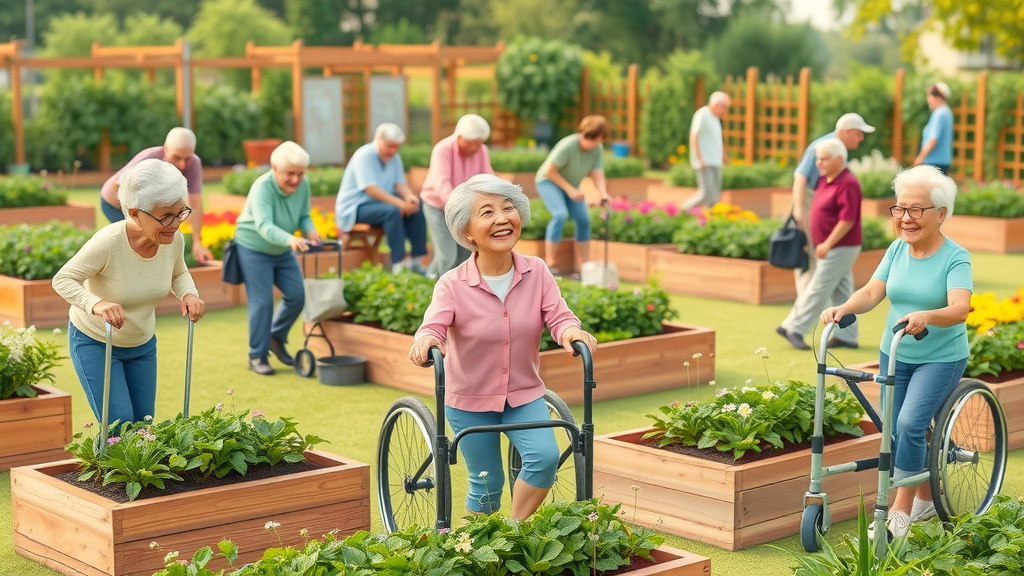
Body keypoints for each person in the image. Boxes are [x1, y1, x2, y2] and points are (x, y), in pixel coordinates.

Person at [408, 173, 598, 520]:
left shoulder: (537, 271)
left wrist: (571, 331)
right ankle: (472, 553)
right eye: (487, 212)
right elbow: (433, 326)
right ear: (467, 232)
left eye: (508, 208)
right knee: (486, 484)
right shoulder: (452, 284)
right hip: (470, 400)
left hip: (524, 394)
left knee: (544, 459)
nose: (502, 218)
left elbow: (559, 316)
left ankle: (512, 533)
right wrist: (427, 339)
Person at [821, 165, 971, 538]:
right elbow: (873, 292)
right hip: (896, 352)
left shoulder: (956, 257)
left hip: (940, 358)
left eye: (916, 210)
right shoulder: (896, 249)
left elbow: (959, 309)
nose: (905, 218)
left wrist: (927, 315)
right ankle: (924, 499)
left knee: (908, 424)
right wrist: (844, 308)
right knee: (893, 429)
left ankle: (897, 511)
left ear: (941, 214)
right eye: (899, 208)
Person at [53, 159, 206, 425]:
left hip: (143, 343)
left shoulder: (173, 239)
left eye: (180, 212)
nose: (175, 223)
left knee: (144, 422)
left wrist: (188, 294)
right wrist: (96, 303)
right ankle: (106, 465)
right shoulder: (109, 242)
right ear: (135, 213)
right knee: (119, 422)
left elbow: (178, 273)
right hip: (96, 341)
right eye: (166, 216)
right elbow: (63, 278)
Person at [233, 141, 321, 375]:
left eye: (300, 174)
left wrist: (310, 229)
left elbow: (303, 215)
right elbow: (263, 225)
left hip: (281, 250)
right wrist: (291, 240)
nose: (296, 180)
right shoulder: (262, 187)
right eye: (289, 174)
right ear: (274, 167)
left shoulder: (303, 185)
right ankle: (257, 355)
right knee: (262, 303)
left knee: (296, 295)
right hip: (253, 248)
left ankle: (275, 337)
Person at [777, 138, 862, 350]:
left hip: (840, 246)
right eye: (817, 159)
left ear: (839, 159)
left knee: (818, 286)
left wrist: (827, 243)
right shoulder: (825, 179)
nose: (818, 163)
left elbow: (847, 220)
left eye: (824, 159)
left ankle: (794, 327)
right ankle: (847, 336)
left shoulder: (848, 184)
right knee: (842, 291)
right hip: (828, 245)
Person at [100, 127, 213, 264]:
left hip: (147, 208)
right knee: (138, 242)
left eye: (187, 158)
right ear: (165, 149)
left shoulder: (194, 163)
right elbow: (119, 187)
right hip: (115, 202)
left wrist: (197, 242)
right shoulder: (149, 157)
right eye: (177, 157)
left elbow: (196, 205)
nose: (182, 165)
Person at [791, 113, 875, 295]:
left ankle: (827, 303)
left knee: (828, 254)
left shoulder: (838, 150)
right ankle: (807, 299)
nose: (861, 138)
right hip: (811, 198)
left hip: (825, 200)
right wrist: (799, 209)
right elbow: (800, 176)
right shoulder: (822, 147)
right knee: (812, 254)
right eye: (858, 133)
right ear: (845, 132)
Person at [336, 123, 428, 274]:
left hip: (381, 205)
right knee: (393, 211)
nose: (393, 151)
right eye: (390, 146)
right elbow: (370, 189)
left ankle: (416, 261)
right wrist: (400, 203)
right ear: (378, 138)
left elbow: (400, 183)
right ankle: (398, 263)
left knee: (416, 207)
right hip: (355, 207)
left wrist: (409, 197)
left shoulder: (395, 158)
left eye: (396, 147)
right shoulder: (364, 155)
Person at [534, 115, 611, 278]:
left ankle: (585, 267)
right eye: (588, 139)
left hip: (572, 187)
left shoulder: (597, 149)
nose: (591, 144)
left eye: (596, 141)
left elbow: (597, 173)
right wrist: (570, 190)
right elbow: (549, 171)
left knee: (584, 220)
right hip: (548, 182)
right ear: (582, 133)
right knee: (560, 215)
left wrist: (603, 193)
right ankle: (550, 264)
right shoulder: (568, 145)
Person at [421, 114, 494, 277]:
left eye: (478, 144)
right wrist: (459, 206)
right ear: (459, 136)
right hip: (438, 207)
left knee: (466, 253)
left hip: (466, 209)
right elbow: (441, 183)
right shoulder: (443, 149)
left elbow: (487, 176)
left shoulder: (481, 150)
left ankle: (434, 280)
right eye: (470, 144)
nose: (475, 148)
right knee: (447, 255)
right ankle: (441, 292)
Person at [681, 91, 731, 210]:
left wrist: (724, 156)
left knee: (715, 197)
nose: (725, 111)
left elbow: (717, 140)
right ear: (717, 104)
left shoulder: (716, 119)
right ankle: (682, 211)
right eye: (725, 107)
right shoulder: (703, 114)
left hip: (715, 161)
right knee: (706, 194)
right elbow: (694, 136)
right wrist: (699, 159)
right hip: (705, 162)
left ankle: (707, 221)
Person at [913, 82, 954, 175]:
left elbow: (933, 140)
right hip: (942, 161)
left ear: (938, 98)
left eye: (930, 96)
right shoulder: (947, 112)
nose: (928, 99)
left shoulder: (939, 114)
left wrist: (920, 157)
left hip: (934, 163)